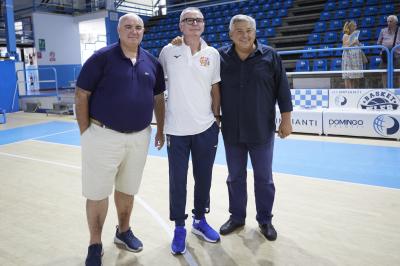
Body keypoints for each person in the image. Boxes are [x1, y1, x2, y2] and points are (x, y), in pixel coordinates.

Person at [75, 13, 165, 266]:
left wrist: (160, 129)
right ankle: (95, 243)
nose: (134, 31)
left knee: (127, 190)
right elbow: (81, 94)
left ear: (144, 31)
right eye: (128, 27)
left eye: (138, 27)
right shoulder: (101, 58)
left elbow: (158, 98)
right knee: (97, 192)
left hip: (139, 137)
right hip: (102, 136)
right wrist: (86, 131)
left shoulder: (152, 62)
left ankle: (123, 232)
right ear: (119, 31)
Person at [218, 14, 292, 240]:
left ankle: (265, 220)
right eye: (239, 31)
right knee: (235, 177)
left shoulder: (271, 56)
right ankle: (237, 217)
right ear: (231, 34)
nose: (245, 35)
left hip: (262, 129)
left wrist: (286, 119)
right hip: (231, 130)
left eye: (249, 30)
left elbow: (283, 89)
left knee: (264, 179)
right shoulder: (219, 57)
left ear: (255, 32)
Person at [158, 7, 221, 255]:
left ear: (203, 25)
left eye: (198, 20)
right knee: (178, 182)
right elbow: (157, 91)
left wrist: (217, 119)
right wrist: (160, 127)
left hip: (206, 128)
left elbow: (216, 88)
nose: (194, 23)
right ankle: (180, 227)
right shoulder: (168, 51)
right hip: (176, 129)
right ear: (181, 26)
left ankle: (199, 220)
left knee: (203, 178)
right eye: (189, 20)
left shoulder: (212, 53)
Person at [377, 15, 400, 88]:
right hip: (385, 55)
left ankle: (398, 89)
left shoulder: (399, 30)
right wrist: (382, 50)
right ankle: (385, 88)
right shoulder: (383, 31)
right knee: (384, 72)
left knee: (398, 73)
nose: (389, 23)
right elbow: (378, 43)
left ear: (396, 22)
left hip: (397, 54)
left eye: (391, 21)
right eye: (388, 21)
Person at [342, 20, 364, 88]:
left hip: (356, 57)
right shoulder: (345, 35)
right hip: (349, 57)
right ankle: (349, 91)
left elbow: (359, 45)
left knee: (355, 75)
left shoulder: (355, 35)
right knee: (349, 75)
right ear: (351, 27)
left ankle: (355, 90)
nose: (356, 27)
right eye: (354, 25)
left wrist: (359, 44)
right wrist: (353, 43)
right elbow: (345, 47)